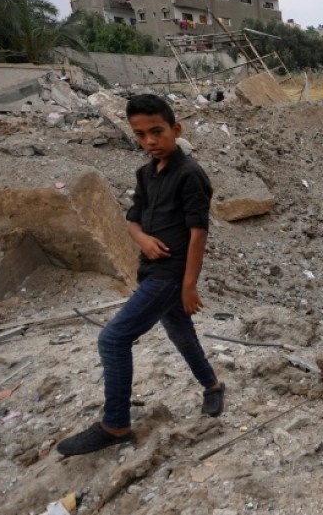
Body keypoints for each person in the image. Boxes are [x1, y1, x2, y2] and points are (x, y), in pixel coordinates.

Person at [57, 94, 225, 456]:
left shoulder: (190, 175)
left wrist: (189, 285)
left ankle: (116, 424)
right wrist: (143, 239)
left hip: (171, 274)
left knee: (113, 339)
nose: (149, 141)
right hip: (151, 268)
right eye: (140, 134)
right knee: (180, 332)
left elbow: (198, 233)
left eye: (157, 132)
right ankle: (212, 386)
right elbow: (133, 219)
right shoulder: (146, 174)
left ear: (175, 130)